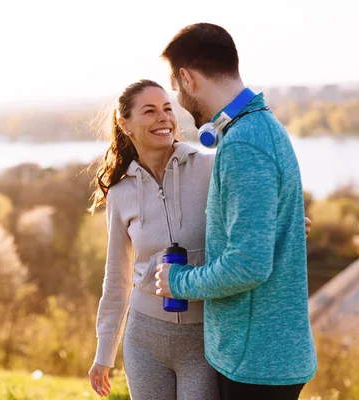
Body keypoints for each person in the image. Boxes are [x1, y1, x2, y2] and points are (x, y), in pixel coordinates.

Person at [86, 77, 313, 398]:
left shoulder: (211, 167)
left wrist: (282, 225)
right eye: (149, 111)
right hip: (144, 338)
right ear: (126, 124)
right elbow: (116, 278)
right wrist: (104, 352)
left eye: (167, 108)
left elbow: (252, 222)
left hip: (204, 336)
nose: (164, 117)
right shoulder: (121, 193)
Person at [155, 23, 318, 400]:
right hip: (263, 355)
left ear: (187, 78)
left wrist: (177, 281)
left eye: (175, 88)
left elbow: (247, 265)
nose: (177, 98)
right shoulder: (258, 127)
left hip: (257, 364)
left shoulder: (245, 143)